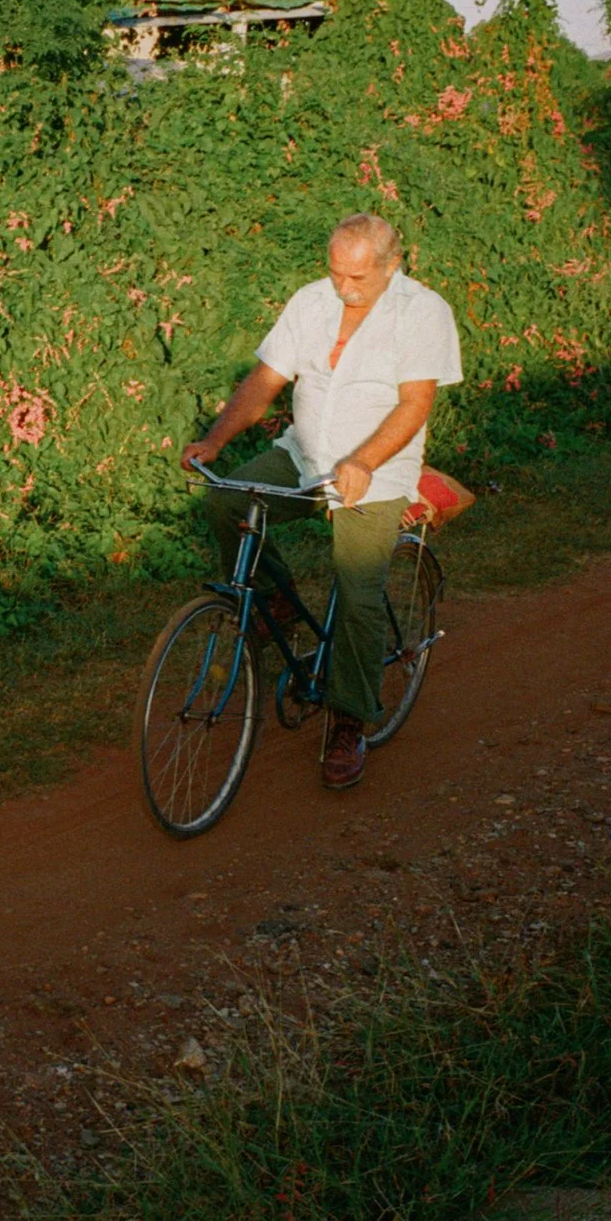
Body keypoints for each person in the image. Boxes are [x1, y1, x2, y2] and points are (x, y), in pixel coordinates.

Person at [180, 213, 461, 790]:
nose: (344, 287)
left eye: (358, 277)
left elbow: (415, 404)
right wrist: (216, 440)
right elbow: (264, 382)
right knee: (225, 501)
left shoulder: (422, 312)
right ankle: (274, 603)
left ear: (392, 265)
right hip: (305, 457)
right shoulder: (311, 302)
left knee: (357, 595)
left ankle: (350, 719)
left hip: (375, 474)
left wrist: (364, 462)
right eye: (336, 273)